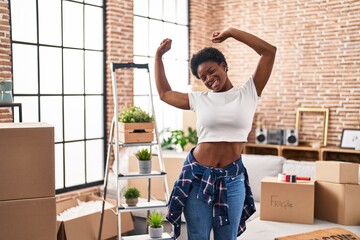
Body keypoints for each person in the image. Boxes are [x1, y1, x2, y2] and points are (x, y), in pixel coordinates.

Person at [155, 27, 276, 240]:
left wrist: (231, 33)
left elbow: (269, 52)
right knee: (198, 236)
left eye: (212, 71)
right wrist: (158, 57)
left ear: (224, 66)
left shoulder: (248, 93)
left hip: (232, 179)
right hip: (197, 177)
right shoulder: (200, 99)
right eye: (203, 77)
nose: (209, 79)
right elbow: (165, 94)